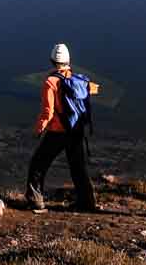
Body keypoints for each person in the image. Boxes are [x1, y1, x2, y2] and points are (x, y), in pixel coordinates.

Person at [25, 42, 98, 213]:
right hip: (76, 130)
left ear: (52, 61)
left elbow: (48, 112)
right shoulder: (79, 80)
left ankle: (36, 201)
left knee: (38, 164)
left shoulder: (50, 82)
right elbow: (94, 90)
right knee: (78, 168)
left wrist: (39, 129)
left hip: (57, 132)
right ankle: (87, 202)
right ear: (68, 61)